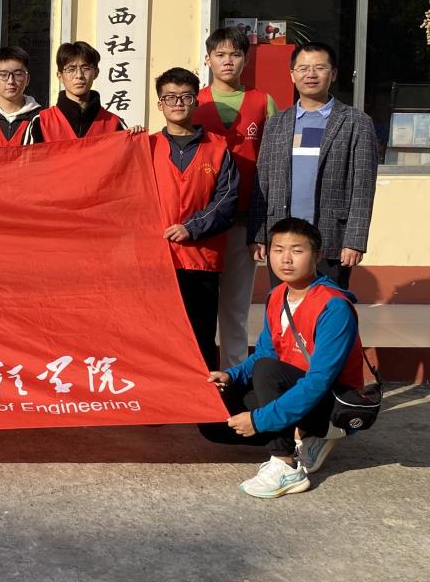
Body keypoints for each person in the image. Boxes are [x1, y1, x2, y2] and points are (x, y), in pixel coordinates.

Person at [202, 217, 365, 498]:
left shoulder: (334, 306)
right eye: (278, 250)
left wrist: (259, 420)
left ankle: (286, 464)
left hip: (330, 403)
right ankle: (306, 434)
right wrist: (231, 375)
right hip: (291, 389)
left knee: (268, 371)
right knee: (214, 418)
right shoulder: (277, 295)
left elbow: (318, 382)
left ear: (316, 255)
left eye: (297, 251)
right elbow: (264, 353)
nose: (286, 259)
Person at [248, 42, 378, 288]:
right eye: (303, 68)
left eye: (319, 68)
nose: (311, 74)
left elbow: (362, 187)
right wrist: (257, 233)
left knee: (327, 305)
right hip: (283, 236)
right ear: (292, 75)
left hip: (331, 238)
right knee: (284, 306)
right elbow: (262, 181)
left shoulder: (356, 122)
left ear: (334, 74)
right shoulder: (276, 123)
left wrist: (354, 240)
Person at [194, 27, 278, 368]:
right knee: (198, 306)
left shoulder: (263, 102)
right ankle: (197, 374)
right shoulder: (193, 102)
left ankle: (233, 375)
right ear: (208, 59)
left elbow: (273, 166)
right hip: (201, 223)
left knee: (235, 306)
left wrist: (263, 228)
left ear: (246, 59)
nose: (227, 61)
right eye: (220, 54)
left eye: (235, 54)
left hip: (244, 221)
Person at [149, 68, 239, 370]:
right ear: (160, 104)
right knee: (159, 333)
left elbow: (226, 201)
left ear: (196, 102)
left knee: (201, 335)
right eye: (170, 97)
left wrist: (192, 228)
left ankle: (205, 395)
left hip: (201, 259)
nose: (178, 103)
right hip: (158, 259)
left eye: (185, 96)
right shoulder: (146, 147)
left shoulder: (218, 148)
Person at [25, 41, 142, 143]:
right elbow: (27, 161)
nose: (79, 75)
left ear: (96, 73)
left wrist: (135, 139)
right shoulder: (41, 122)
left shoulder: (114, 123)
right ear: (60, 76)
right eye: (71, 69)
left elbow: (129, 161)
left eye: (86, 68)